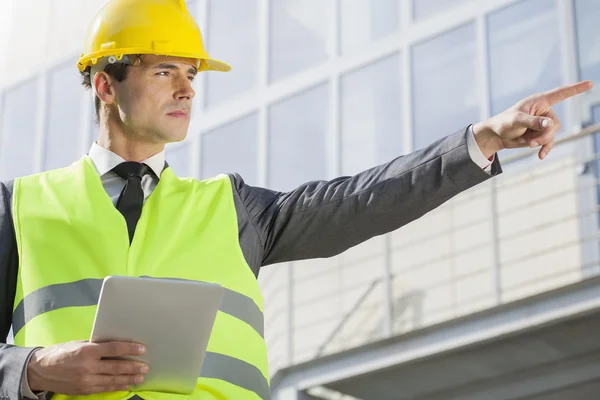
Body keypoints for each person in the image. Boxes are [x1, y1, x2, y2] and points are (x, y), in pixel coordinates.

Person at [0, 0, 592, 399]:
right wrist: (31, 370)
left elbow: (360, 200)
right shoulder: (20, 208)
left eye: (192, 74)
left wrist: (482, 140)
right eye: (164, 72)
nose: (186, 89)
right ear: (106, 83)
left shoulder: (233, 209)